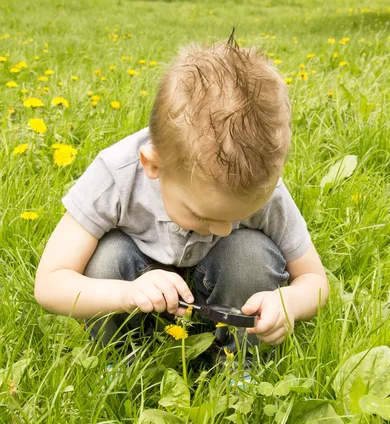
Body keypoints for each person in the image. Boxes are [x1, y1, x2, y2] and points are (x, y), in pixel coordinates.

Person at [34, 29, 329, 366]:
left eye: (236, 217)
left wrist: (290, 301)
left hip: (225, 293)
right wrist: (127, 294)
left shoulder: (262, 188)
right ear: (152, 165)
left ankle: (240, 369)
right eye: (202, 215)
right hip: (138, 288)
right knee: (105, 260)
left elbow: (315, 280)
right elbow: (49, 283)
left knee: (249, 255)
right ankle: (122, 361)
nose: (221, 229)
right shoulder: (116, 175)